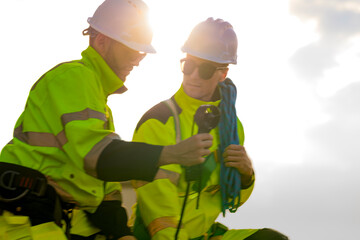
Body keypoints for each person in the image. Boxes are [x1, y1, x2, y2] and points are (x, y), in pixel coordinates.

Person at [0, 0, 213, 239]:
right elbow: (98, 157)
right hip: (24, 224)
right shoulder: (74, 78)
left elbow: (104, 192)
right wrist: (170, 154)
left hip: (55, 223)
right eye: (132, 50)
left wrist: (122, 233)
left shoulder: (100, 106)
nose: (138, 60)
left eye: (142, 53)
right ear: (102, 41)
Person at [131, 18, 289, 239]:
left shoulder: (231, 127)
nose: (194, 75)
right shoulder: (158, 121)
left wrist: (246, 177)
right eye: (188, 65)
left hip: (203, 234)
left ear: (222, 73)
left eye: (205, 69)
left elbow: (229, 199)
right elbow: (158, 209)